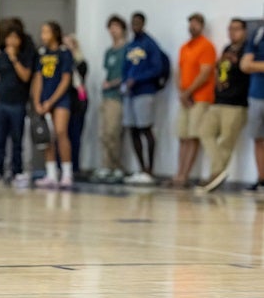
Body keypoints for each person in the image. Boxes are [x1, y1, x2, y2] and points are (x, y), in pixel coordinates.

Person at [197, 19, 249, 192]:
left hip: (236, 103)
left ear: (245, 31)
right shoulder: (227, 49)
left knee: (226, 142)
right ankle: (219, 171)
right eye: (230, 29)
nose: (232, 32)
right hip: (219, 100)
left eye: (236, 29)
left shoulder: (248, 50)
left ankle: (214, 176)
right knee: (204, 132)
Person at [170, 13, 216, 188]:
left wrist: (189, 92)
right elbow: (179, 71)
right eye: (190, 23)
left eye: (196, 24)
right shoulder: (185, 47)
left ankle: (186, 175)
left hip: (200, 97)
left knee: (192, 136)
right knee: (182, 136)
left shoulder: (206, 46)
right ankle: (178, 172)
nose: (192, 27)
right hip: (185, 98)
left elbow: (205, 73)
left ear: (202, 26)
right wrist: (181, 92)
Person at [121, 12, 162, 185]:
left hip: (144, 91)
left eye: (138, 23)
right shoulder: (130, 46)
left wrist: (137, 79)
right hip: (130, 93)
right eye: (133, 23)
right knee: (133, 130)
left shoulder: (150, 44)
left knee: (146, 129)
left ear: (143, 24)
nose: (135, 26)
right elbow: (126, 67)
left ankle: (150, 169)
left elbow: (157, 68)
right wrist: (125, 81)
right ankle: (140, 168)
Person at [0, 20, 33, 183]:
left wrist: (14, 59)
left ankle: (17, 171)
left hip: (18, 103)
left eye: (16, 38)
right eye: (9, 38)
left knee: (17, 139)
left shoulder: (24, 56)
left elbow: (26, 76)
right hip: (2, 103)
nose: (12, 41)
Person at [31, 21, 73, 189]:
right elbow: (38, 78)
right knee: (47, 136)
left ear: (55, 33)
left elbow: (66, 79)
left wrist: (51, 101)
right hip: (44, 99)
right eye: (42, 32)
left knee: (61, 132)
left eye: (46, 32)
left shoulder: (64, 53)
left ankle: (67, 173)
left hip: (60, 99)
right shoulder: (42, 53)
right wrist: (37, 101)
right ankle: (51, 174)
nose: (43, 35)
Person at [91, 15, 127, 183]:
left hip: (118, 95)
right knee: (104, 133)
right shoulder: (109, 51)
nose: (113, 30)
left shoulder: (127, 49)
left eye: (116, 27)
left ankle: (117, 166)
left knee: (114, 132)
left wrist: (113, 83)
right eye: (110, 27)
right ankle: (106, 165)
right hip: (106, 95)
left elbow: (126, 74)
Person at [240, 24, 264, 192]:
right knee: (258, 138)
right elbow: (245, 65)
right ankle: (262, 179)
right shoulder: (258, 34)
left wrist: (255, 64)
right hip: (256, 95)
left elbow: (251, 64)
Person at [63, 33, 88, 177]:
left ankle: (75, 167)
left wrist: (71, 60)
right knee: (62, 134)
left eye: (69, 44)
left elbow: (79, 81)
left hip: (78, 102)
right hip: (64, 102)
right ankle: (62, 166)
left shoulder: (81, 63)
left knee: (75, 135)